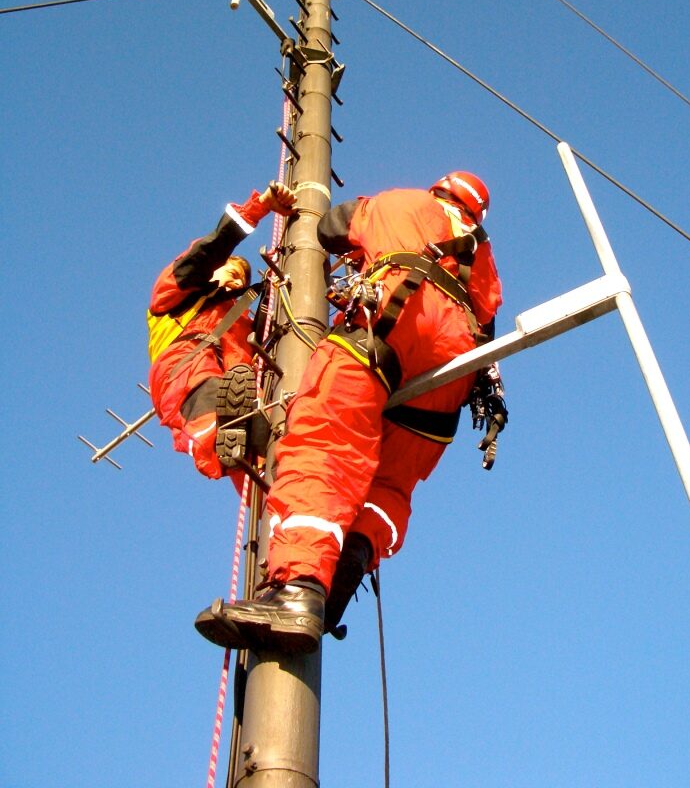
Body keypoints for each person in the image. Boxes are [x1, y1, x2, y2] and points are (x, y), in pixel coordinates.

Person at [195, 171, 503, 652]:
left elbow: (330, 227)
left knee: (324, 444)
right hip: (450, 379)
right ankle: (336, 583)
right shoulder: (483, 256)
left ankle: (297, 587)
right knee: (387, 489)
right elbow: (488, 315)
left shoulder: (402, 202)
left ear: (439, 188)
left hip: (392, 326)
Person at [147, 181, 296, 490]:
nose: (236, 282)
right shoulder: (177, 294)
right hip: (185, 367)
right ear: (214, 271)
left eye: (241, 279)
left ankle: (282, 504)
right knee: (212, 413)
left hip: (238, 388)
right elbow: (210, 249)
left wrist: (276, 285)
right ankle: (220, 444)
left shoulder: (241, 323)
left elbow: (267, 333)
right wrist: (260, 206)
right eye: (231, 273)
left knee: (265, 452)